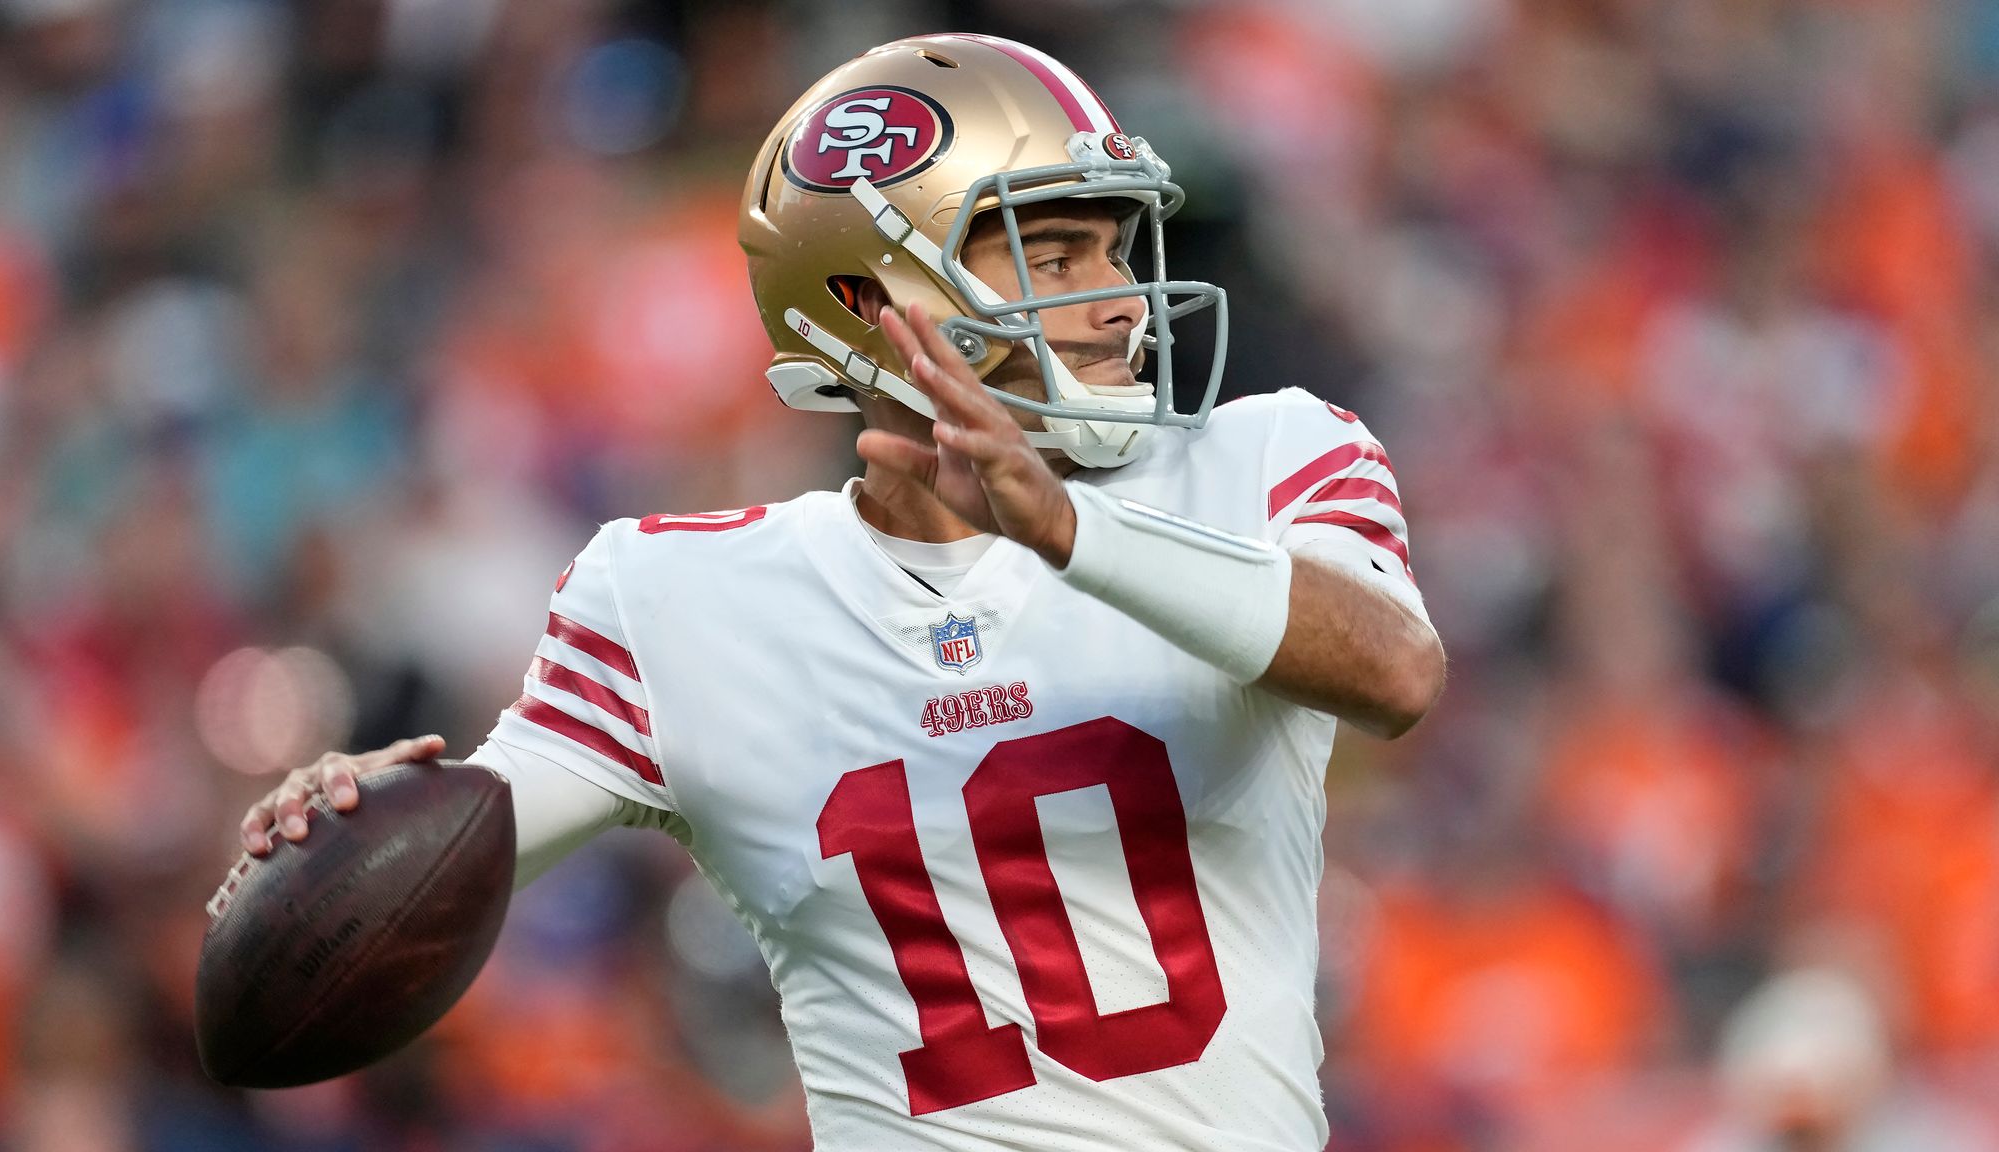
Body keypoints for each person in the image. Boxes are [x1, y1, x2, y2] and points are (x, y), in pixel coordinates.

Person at [239, 33, 1444, 1151]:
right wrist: (339, 817)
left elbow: (1392, 672)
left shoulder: (1269, 456)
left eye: (1116, 248)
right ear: (877, 307)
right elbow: (456, 841)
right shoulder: (674, 598)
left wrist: (1074, 530)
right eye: (1053, 251)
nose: (1120, 300)